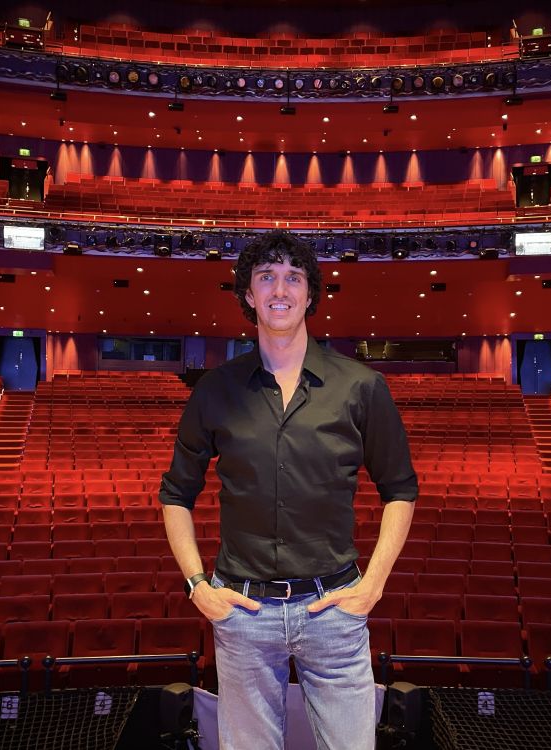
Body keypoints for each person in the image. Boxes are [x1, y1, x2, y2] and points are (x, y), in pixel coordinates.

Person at [159, 230, 418, 750]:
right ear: (249, 293)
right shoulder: (215, 389)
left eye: (293, 277)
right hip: (244, 614)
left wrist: (373, 586)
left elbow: (400, 490)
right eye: (267, 277)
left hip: (335, 611)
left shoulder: (361, 386)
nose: (280, 290)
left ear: (310, 293)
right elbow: (175, 495)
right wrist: (197, 586)